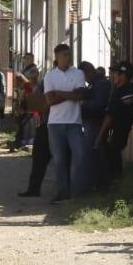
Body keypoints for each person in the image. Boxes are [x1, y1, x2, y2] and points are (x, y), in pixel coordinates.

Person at [43, 44, 91, 203]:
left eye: (69, 54)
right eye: (64, 55)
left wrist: (59, 92)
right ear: (57, 57)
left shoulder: (78, 73)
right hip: (55, 124)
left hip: (74, 123)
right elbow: (50, 101)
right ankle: (63, 192)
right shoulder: (50, 76)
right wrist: (71, 94)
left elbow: (80, 96)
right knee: (59, 160)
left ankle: (75, 191)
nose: (68, 58)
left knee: (79, 155)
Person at [94, 60, 133, 188]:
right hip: (126, 129)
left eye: (115, 73)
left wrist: (99, 137)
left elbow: (109, 117)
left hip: (116, 131)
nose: (113, 76)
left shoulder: (118, 93)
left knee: (110, 156)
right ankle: (116, 182)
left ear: (123, 75)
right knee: (115, 155)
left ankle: (111, 185)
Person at [16, 68, 51, 197]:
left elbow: (33, 103)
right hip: (48, 125)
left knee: (40, 159)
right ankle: (35, 188)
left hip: (47, 126)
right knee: (44, 160)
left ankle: (34, 189)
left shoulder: (47, 81)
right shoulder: (47, 82)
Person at [79, 61, 111, 189]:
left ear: (88, 72)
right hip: (92, 122)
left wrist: (83, 104)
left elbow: (100, 105)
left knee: (91, 154)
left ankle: (94, 184)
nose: (85, 80)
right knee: (92, 154)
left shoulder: (101, 84)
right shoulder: (95, 84)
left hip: (95, 122)